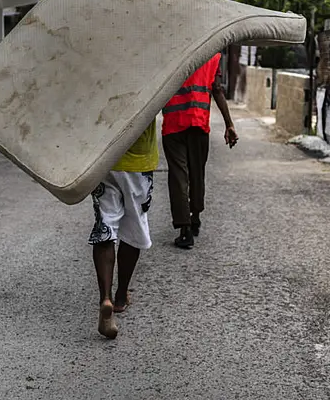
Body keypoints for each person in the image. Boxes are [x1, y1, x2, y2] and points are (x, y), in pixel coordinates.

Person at [89, 120, 158, 340]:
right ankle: (119, 297)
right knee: (133, 227)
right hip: (139, 160)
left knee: (105, 225)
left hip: (104, 154)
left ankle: (105, 298)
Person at [162, 53, 239, 250]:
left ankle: (185, 230)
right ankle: (194, 217)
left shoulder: (170, 52)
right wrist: (229, 124)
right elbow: (218, 90)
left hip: (173, 124)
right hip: (198, 122)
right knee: (197, 173)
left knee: (179, 175)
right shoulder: (213, 55)